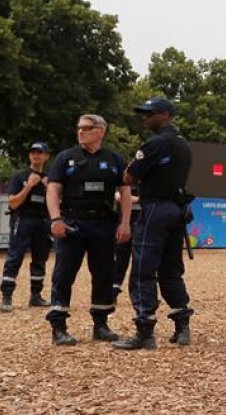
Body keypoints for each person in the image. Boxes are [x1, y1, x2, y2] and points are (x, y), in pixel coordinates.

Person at [113, 97, 194, 351]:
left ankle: (144, 331)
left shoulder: (156, 143)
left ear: (166, 115)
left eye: (150, 113)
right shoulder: (183, 144)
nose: (144, 117)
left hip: (155, 209)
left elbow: (128, 176)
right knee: (171, 269)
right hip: (177, 210)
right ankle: (182, 327)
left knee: (142, 269)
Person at [45, 115, 131, 346]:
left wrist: (125, 223)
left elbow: (124, 193)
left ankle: (101, 324)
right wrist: (56, 219)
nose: (81, 132)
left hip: (104, 224)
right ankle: (59, 326)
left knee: (104, 274)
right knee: (63, 274)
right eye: (79, 128)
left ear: (101, 131)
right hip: (72, 223)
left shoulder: (114, 159)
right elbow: (52, 191)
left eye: (86, 128)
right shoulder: (66, 158)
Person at [1, 142, 53, 312]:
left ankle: (36, 296)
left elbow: (59, 203)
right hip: (23, 220)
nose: (36, 155)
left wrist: (47, 187)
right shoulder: (20, 175)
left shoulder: (50, 179)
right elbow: (13, 203)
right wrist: (29, 186)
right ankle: (7, 297)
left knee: (40, 258)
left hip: (43, 222)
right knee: (15, 257)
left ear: (46, 156)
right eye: (33, 152)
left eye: (40, 152)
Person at [112, 185, 141, 303]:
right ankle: (113, 291)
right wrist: (138, 199)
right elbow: (118, 196)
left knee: (140, 260)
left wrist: (128, 198)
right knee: (120, 260)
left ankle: (141, 293)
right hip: (123, 224)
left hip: (141, 223)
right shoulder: (122, 179)